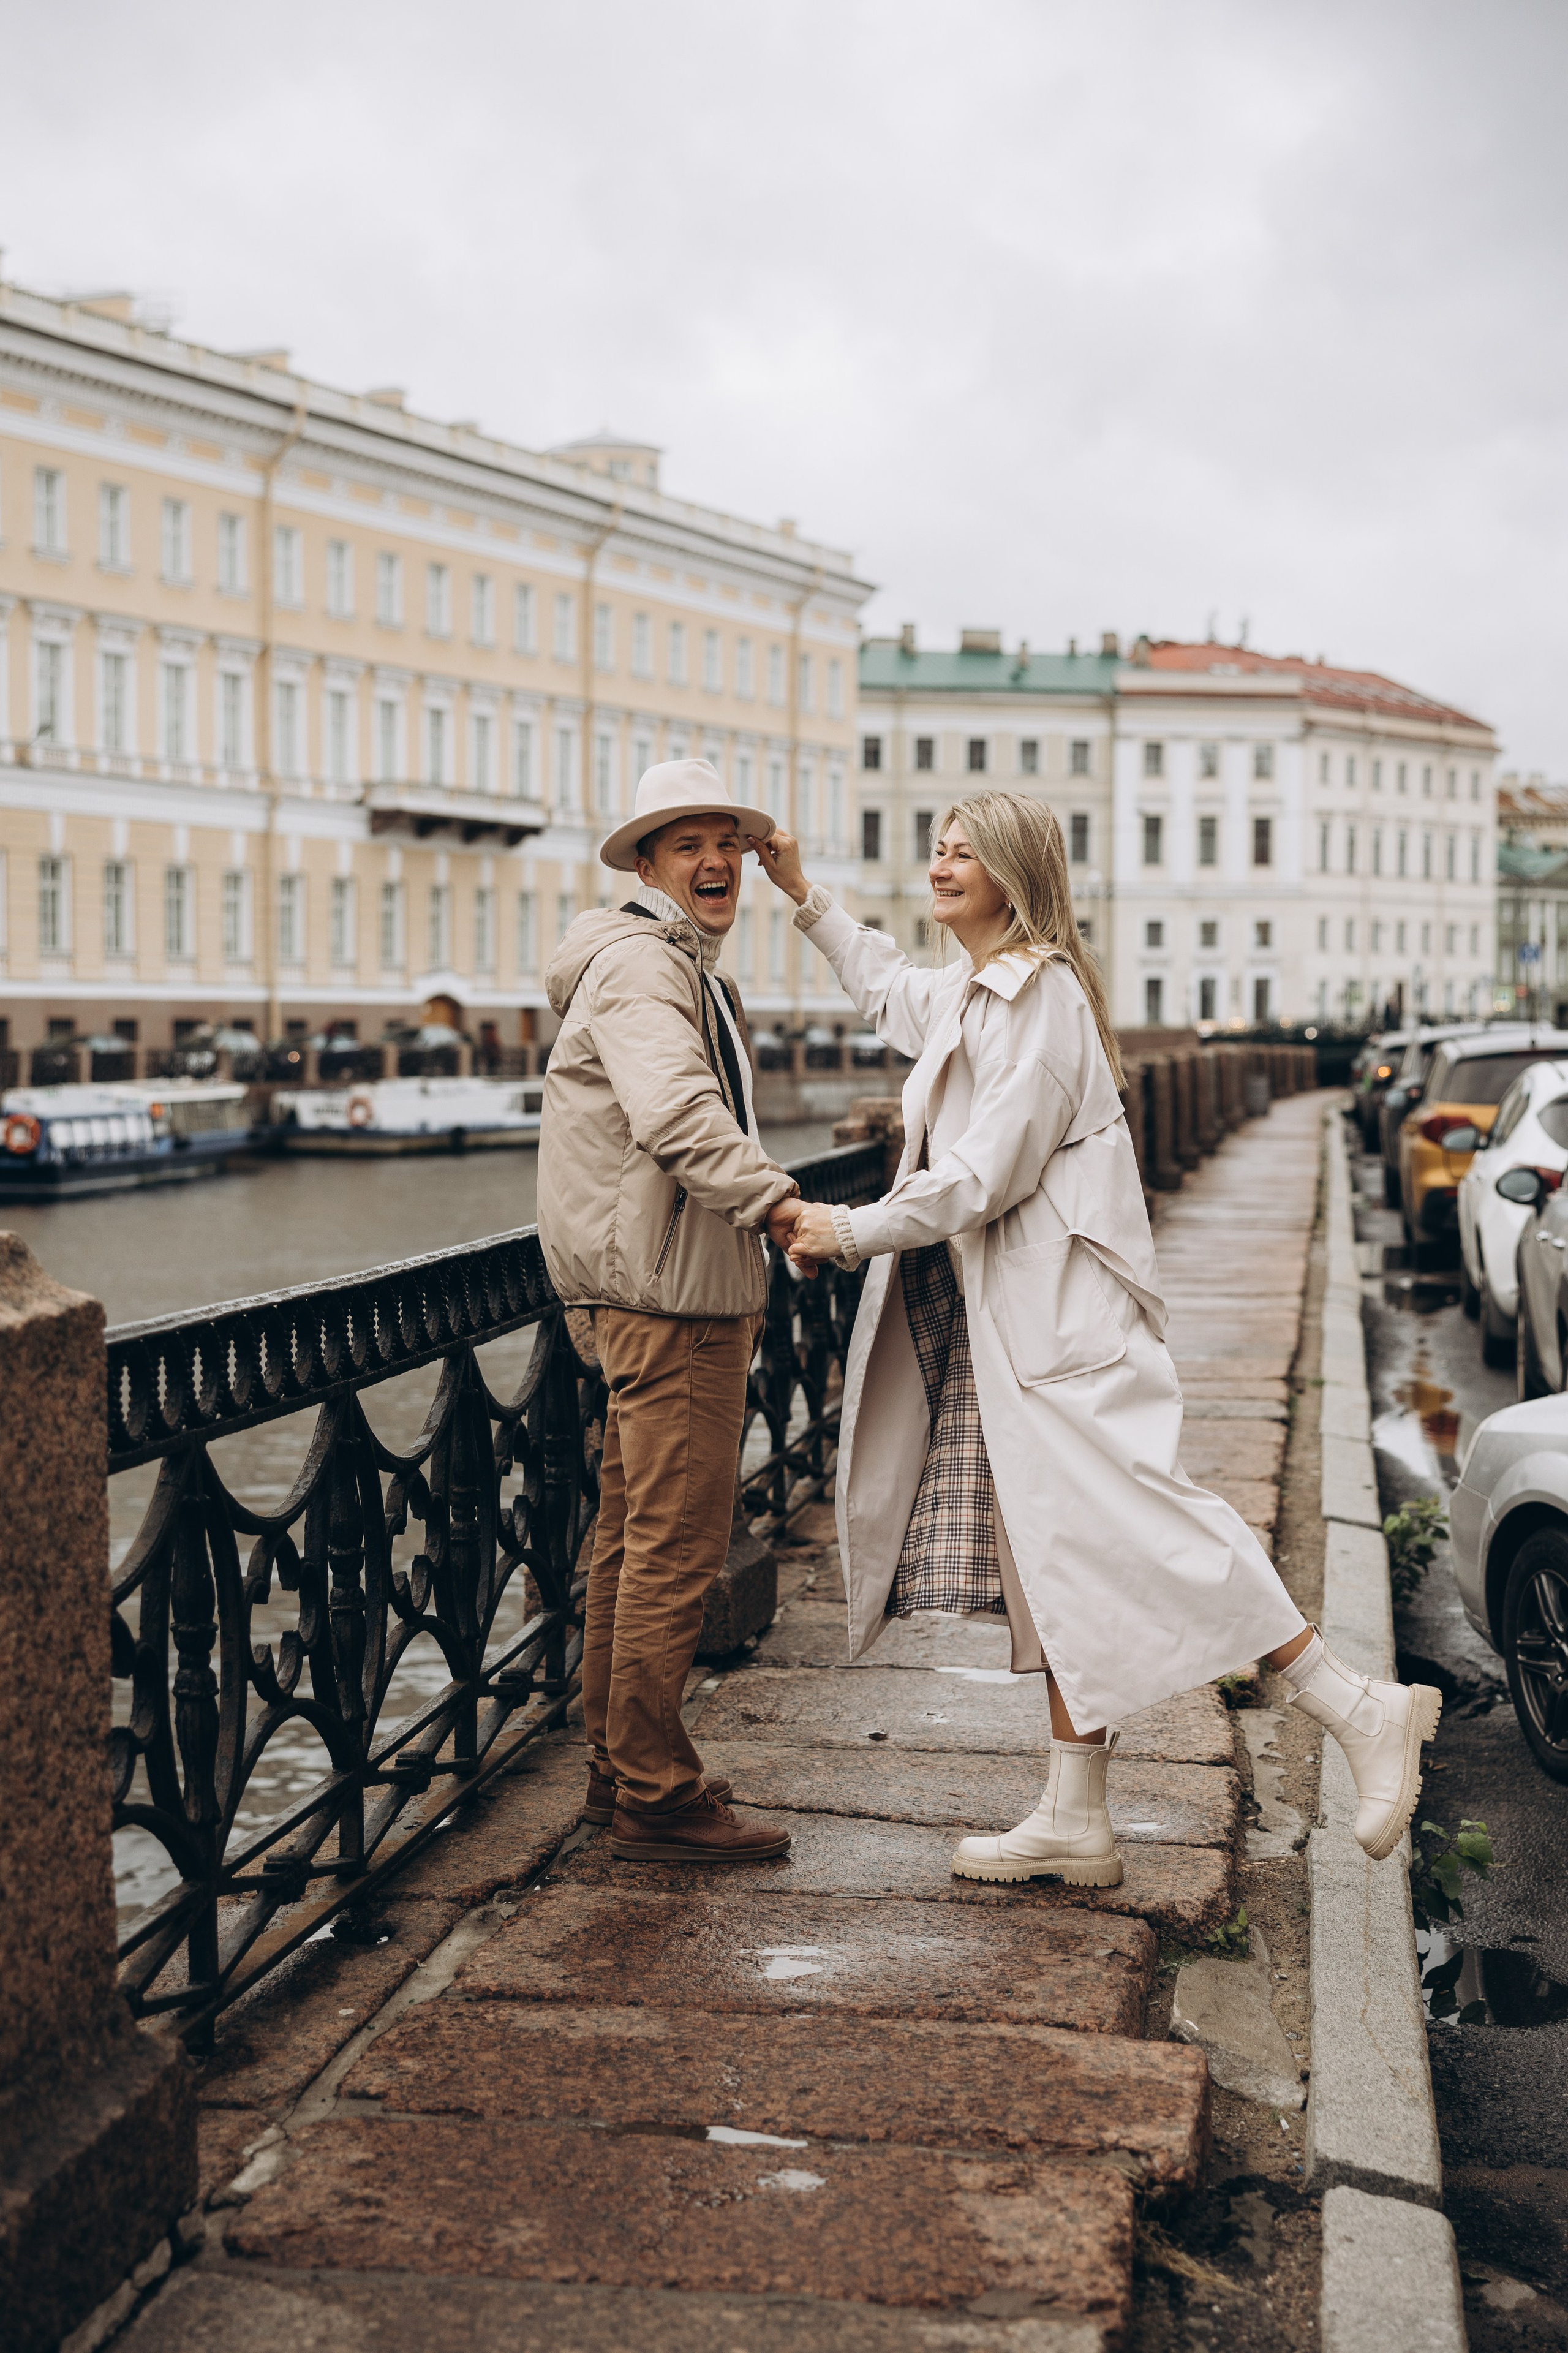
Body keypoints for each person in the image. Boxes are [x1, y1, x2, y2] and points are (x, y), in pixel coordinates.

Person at [758, 792, 1440, 1884]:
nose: (940, 866)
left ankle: (1359, 1707)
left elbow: (979, 1177)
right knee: (1056, 1555)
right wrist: (801, 892)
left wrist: (846, 1228)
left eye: (964, 853)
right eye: (937, 848)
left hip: (1064, 1327)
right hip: (1025, 1324)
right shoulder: (981, 991)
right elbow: (887, 986)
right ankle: (1076, 1816)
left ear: (1014, 874)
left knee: (1154, 1524)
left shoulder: (1041, 1001)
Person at [538, 757, 802, 1864]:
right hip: (674, 1296)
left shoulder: (657, 961)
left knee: (630, 1541)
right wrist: (779, 1204)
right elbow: (678, 1111)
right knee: (675, 1549)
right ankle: (656, 1791)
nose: (715, 861)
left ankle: (619, 1768)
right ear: (645, 867)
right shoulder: (649, 969)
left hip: (645, 1286)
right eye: (687, 844)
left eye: (727, 842)